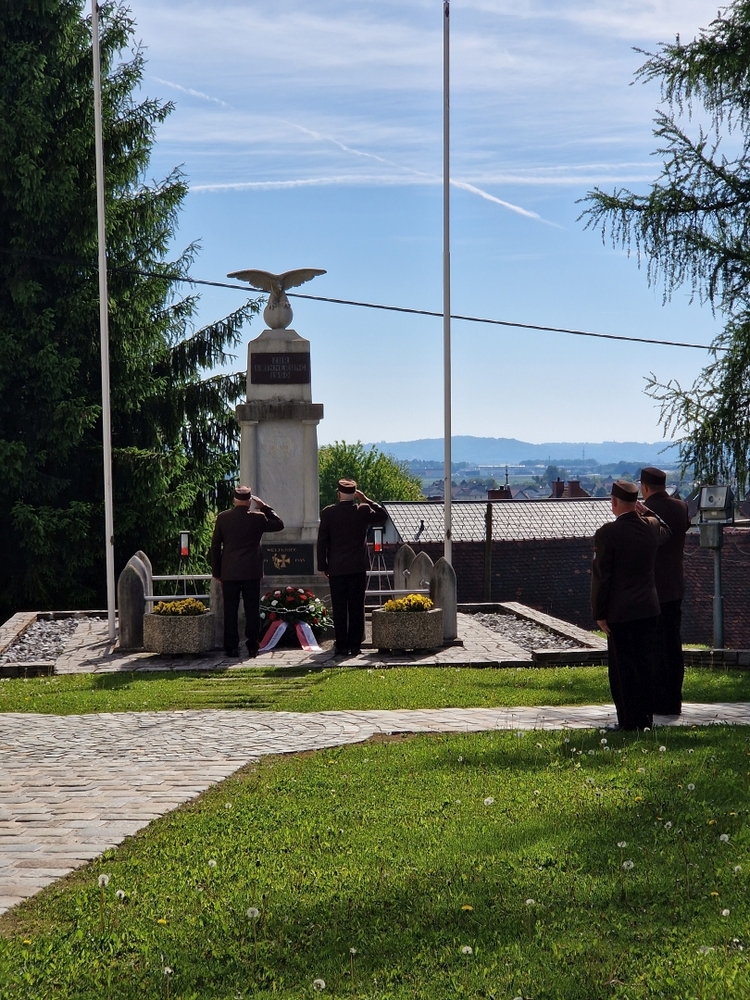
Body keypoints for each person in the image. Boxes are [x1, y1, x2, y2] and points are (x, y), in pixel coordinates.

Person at [591, 480, 670, 730]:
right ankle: (645, 720)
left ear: (614, 502)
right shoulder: (651, 527)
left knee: (623, 670)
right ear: (636, 503)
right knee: (646, 666)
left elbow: (602, 577)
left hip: (620, 611)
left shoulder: (607, 533)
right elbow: (667, 530)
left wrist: (599, 613)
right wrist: (648, 511)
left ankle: (627, 722)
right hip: (648, 608)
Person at [640, 466, 692, 715]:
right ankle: (673, 699)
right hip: (675, 587)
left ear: (644, 487)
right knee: (673, 645)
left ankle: (657, 700)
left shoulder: (645, 513)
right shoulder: (681, 507)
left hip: (651, 590)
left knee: (653, 647)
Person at [210, 486, 284, 658]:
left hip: (229, 571)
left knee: (230, 610)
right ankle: (252, 646)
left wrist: (217, 571)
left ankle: (232, 647)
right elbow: (279, 524)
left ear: (234, 500)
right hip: (251, 571)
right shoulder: (258, 518)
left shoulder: (223, 518)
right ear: (250, 501)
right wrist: (265, 507)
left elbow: (215, 546)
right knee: (252, 610)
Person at [317, 479, 387, 656]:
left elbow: (322, 541)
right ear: (355, 494)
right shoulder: (362, 510)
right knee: (356, 607)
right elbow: (383, 515)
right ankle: (355, 645)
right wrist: (366, 499)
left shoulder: (329, 513)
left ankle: (341, 645)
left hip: (337, 567)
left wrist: (323, 565)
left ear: (338, 494)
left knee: (339, 607)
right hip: (357, 567)